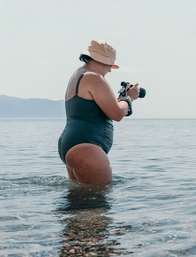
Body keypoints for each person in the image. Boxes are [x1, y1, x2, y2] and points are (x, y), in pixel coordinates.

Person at [58, 40, 141, 186]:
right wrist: (129, 98)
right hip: (86, 148)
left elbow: (100, 109)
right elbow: (117, 114)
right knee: (98, 200)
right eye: (110, 65)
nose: (110, 70)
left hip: (72, 143)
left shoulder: (78, 74)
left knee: (78, 202)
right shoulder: (93, 77)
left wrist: (121, 100)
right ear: (102, 61)